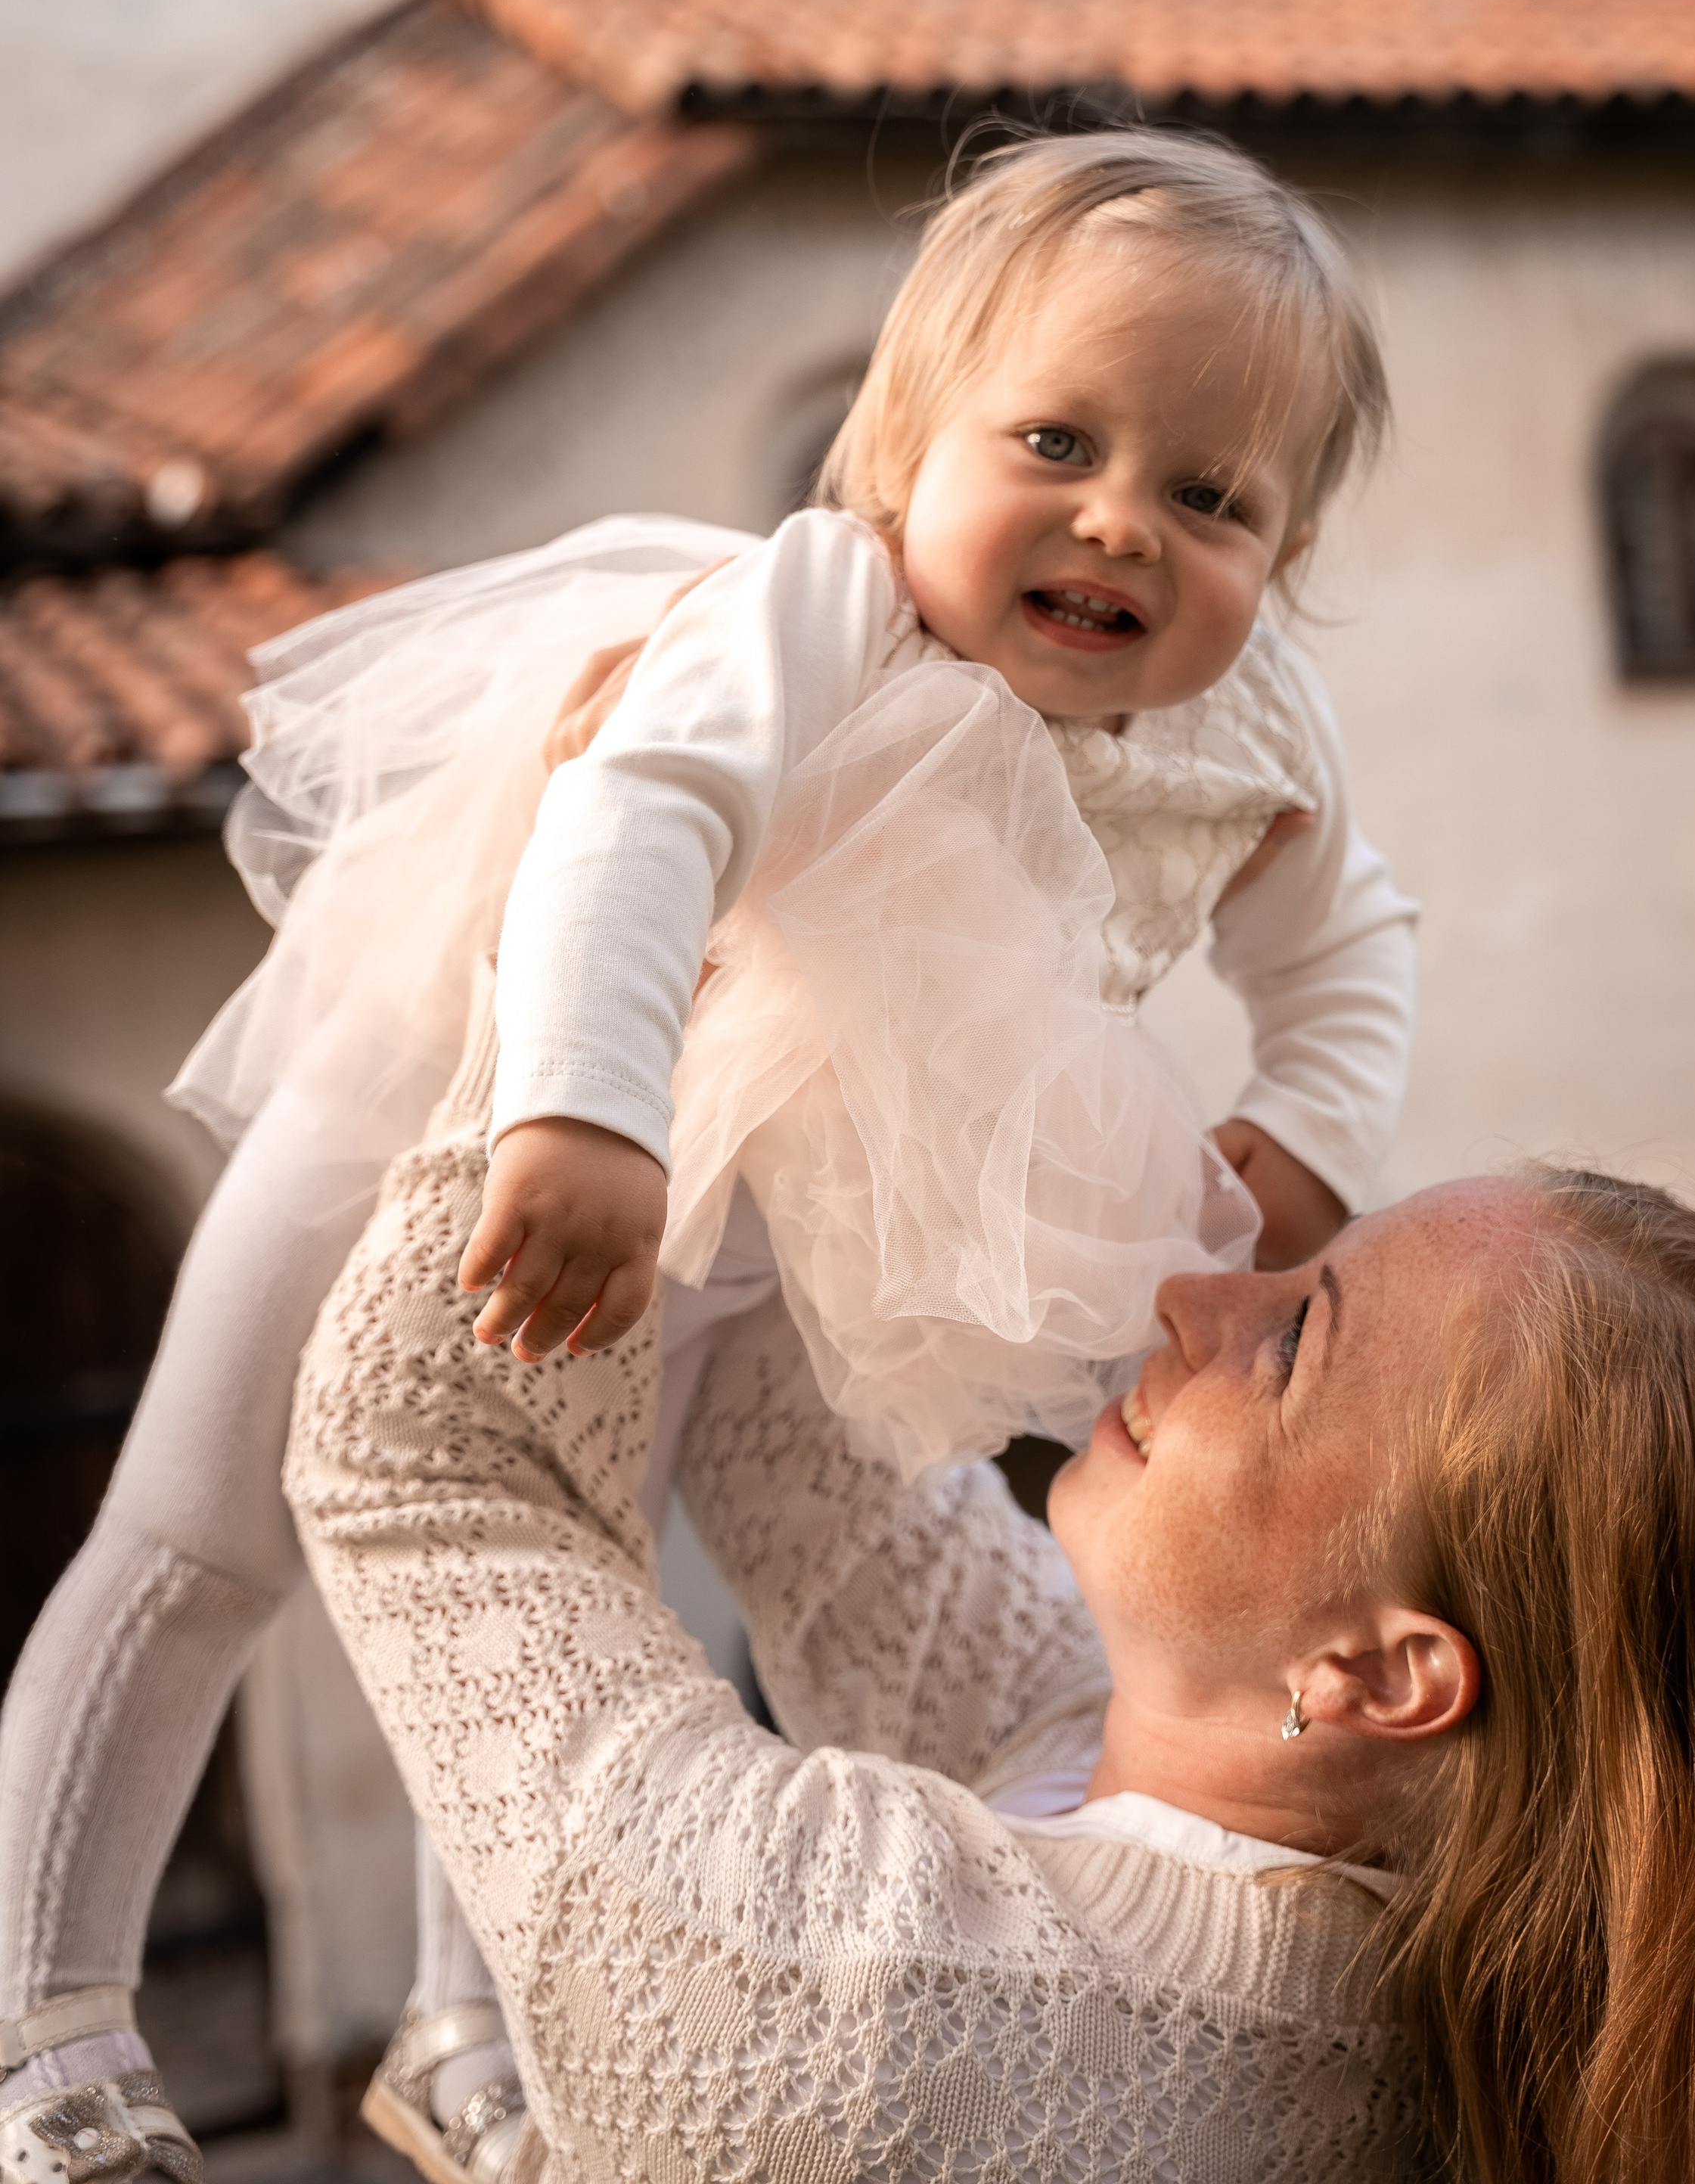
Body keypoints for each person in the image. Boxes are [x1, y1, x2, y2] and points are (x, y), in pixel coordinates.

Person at [0, 130, 1417, 2177]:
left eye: (1213, 498)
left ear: (1280, 558)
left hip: (745, 1204)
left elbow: (1351, 935)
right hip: (479, 1087)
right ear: (910, 439)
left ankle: (462, 2020)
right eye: (1058, 440)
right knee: (209, 1526)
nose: (1122, 519)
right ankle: (46, 2019)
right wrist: (585, 1109)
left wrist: (1304, 1133)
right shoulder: (819, 607)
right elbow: (641, 814)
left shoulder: (1255, 728)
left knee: (582, 1600)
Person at [281, 1002, 1695, 2184]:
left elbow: (421, 1462)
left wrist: (602, 979)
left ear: (1377, 1671)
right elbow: (838, 1508)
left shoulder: (868, 1996)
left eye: (1290, 1341)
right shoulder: (1293, 1898)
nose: (1195, 1298)